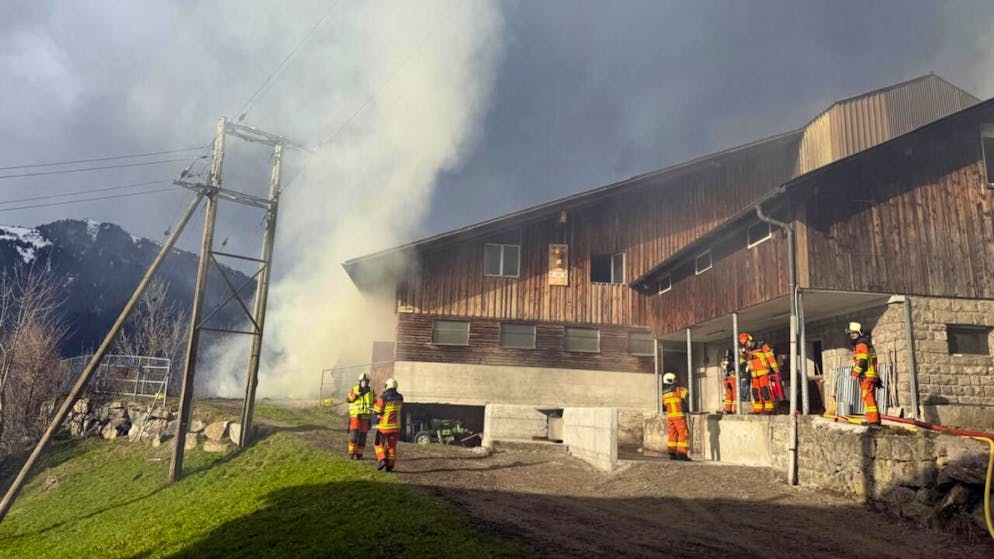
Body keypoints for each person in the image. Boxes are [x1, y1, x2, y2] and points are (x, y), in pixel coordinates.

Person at [846, 321, 881, 426]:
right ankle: (872, 419)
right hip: (870, 375)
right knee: (869, 397)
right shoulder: (865, 343)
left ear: (859, 332)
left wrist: (855, 373)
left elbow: (862, 360)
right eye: (850, 333)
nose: (852, 335)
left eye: (854, 333)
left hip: (867, 375)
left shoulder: (861, 344)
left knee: (867, 397)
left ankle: (873, 421)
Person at [738, 332, 780, 414]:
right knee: (755, 392)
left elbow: (770, 357)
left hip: (763, 372)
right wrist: (743, 354)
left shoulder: (762, 345)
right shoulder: (748, 350)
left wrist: (775, 369)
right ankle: (758, 409)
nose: (747, 345)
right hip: (754, 374)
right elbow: (745, 359)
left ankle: (769, 409)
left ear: (750, 339)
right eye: (745, 344)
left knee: (765, 390)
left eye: (747, 342)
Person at [373, 377, 404, 472]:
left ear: (387, 386)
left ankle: (382, 459)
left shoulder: (382, 398)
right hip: (396, 427)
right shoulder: (400, 397)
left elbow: (377, 411)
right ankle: (390, 466)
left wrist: (375, 405)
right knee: (392, 446)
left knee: (378, 443)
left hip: (384, 427)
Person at [661, 372, 690, 461]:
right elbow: (686, 394)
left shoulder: (664, 393)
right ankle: (682, 454)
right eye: (674, 380)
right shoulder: (676, 389)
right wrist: (682, 387)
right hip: (679, 416)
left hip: (670, 417)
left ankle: (672, 453)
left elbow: (664, 404)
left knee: (672, 434)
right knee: (683, 434)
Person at [346, 372, 375, 460]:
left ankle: (359, 454)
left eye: (366, 381)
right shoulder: (355, 389)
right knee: (354, 437)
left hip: (365, 417)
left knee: (363, 438)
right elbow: (348, 399)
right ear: (360, 381)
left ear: (368, 382)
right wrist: (355, 395)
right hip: (355, 416)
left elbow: (373, 402)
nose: (364, 383)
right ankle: (351, 453)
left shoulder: (371, 391)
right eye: (363, 381)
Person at [720, 349, 737, 414]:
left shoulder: (723, 361)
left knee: (728, 394)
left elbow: (723, 368)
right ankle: (735, 409)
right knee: (735, 394)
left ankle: (728, 409)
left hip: (726, 378)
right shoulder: (733, 361)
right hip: (732, 378)